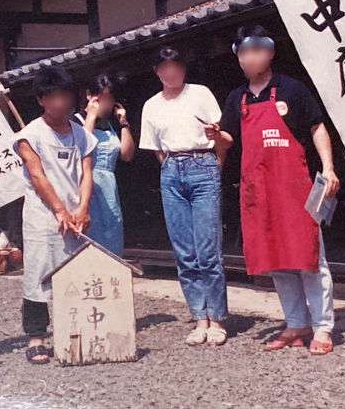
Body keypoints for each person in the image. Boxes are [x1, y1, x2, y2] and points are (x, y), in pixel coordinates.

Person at [210, 25, 340, 355]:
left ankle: (323, 327)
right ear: (238, 57)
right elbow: (229, 138)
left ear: (270, 52)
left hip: (294, 187)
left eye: (257, 50)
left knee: (310, 257)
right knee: (277, 260)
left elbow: (317, 127)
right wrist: (215, 136)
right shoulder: (236, 97)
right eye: (244, 51)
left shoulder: (292, 89)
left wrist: (328, 168)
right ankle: (296, 323)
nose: (251, 57)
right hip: (259, 189)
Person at [139, 46, 229, 347]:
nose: (171, 72)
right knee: (184, 250)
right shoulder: (151, 105)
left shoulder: (200, 93)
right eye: (164, 67)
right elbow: (155, 147)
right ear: (156, 72)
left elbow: (219, 134)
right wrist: (171, 166)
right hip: (172, 170)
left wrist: (212, 165)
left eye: (175, 65)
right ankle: (198, 317)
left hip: (203, 164)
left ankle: (217, 318)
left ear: (183, 68)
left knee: (207, 248)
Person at [12, 66, 98, 364]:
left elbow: (87, 174)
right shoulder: (30, 135)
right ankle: (36, 337)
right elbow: (38, 177)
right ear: (41, 100)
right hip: (44, 217)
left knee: (74, 273)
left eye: (65, 95)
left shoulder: (81, 134)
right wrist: (59, 210)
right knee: (38, 274)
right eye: (54, 96)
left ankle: (71, 331)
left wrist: (82, 207)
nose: (61, 102)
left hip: (77, 218)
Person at [70, 73, 135, 256]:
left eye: (110, 100)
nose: (106, 104)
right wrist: (90, 117)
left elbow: (127, 154)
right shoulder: (76, 121)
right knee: (89, 241)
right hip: (86, 186)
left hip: (108, 188)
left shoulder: (110, 125)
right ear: (89, 95)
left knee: (111, 238)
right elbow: (82, 147)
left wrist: (124, 123)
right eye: (102, 98)